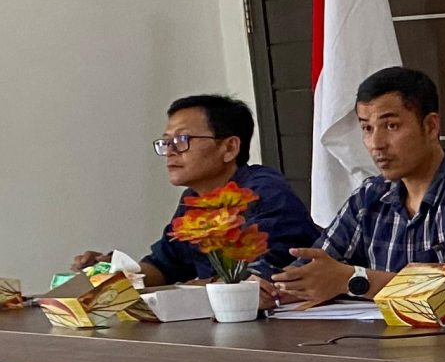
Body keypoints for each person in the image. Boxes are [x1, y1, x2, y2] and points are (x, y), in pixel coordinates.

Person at [276, 66, 445, 308]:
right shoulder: (370, 195)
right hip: (395, 338)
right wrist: (273, 290)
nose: (376, 143)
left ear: (431, 126)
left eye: (391, 126)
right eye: (367, 128)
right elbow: (314, 272)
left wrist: (353, 280)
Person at [76, 94, 318, 285]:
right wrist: (113, 271)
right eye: (166, 142)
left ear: (229, 148)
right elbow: (163, 265)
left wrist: (198, 287)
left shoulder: (263, 189)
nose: (170, 151)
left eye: (182, 140)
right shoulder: (194, 198)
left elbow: (259, 274)